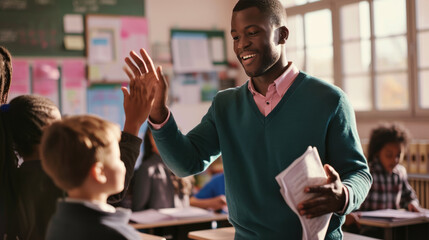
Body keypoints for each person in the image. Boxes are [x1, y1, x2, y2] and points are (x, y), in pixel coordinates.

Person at [124, 0, 372, 238]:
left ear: (282, 35)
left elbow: (359, 173)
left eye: (252, 33)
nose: (242, 44)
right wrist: (158, 112)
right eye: (235, 37)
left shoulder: (329, 100)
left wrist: (344, 195)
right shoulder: (225, 105)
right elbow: (185, 163)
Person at [0, 67, 155, 239]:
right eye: (59, 128)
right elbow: (111, 186)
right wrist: (133, 124)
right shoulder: (56, 178)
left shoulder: (14, 177)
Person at [40, 116, 141, 239]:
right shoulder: (116, 234)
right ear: (99, 173)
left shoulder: (57, 222)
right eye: (118, 158)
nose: (123, 164)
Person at [344, 123, 420, 237]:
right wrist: (348, 215)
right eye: (389, 155)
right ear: (377, 152)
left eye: (399, 155)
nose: (395, 160)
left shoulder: (400, 173)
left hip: (393, 227)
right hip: (367, 228)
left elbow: (410, 197)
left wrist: (412, 204)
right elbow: (352, 201)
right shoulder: (367, 172)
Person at [132, 129, 194, 211]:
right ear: (150, 141)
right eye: (156, 137)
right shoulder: (147, 169)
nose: (163, 140)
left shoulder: (184, 167)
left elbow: (188, 201)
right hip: (158, 222)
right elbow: (138, 208)